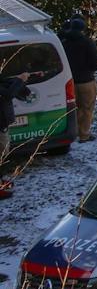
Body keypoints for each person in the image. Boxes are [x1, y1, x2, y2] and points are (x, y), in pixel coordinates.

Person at [59, 15, 97, 142]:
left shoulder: (63, 43)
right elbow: (96, 63)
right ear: (83, 29)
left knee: (72, 108)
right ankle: (84, 134)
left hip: (68, 81)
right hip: (86, 81)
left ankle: (73, 131)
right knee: (87, 108)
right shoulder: (87, 42)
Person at [0, 72, 33, 200]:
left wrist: (19, 80)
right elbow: (7, 95)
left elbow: (6, 85)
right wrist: (19, 80)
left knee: (3, 153)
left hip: (2, 125)